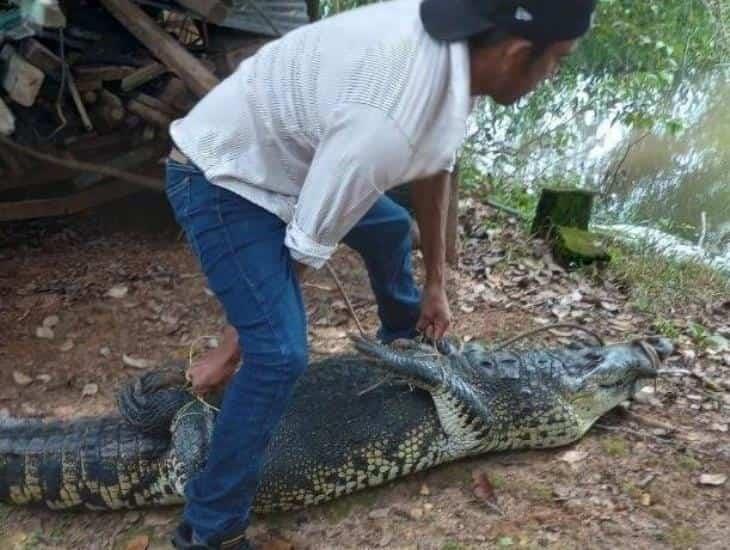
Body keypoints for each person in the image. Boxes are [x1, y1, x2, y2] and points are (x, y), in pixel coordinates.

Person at [165, 0, 596, 547]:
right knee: (279, 355)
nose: (554, 75)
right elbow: (302, 241)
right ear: (516, 53)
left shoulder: (459, 56)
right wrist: (234, 348)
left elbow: (436, 167)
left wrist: (436, 284)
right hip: (225, 174)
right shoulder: (387, 120)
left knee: (390, 228)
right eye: (557, 60)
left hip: (299, 157)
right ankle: (210, 529)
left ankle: (405, 343)